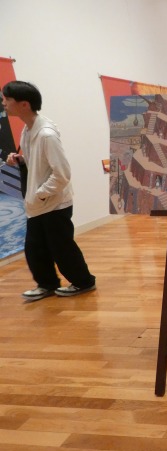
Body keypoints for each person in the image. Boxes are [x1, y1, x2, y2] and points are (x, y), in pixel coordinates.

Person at [1, 81, 96, 302]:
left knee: (61, 247)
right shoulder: (28, 129)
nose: (3, 103)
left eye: (7, 99)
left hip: (53, 203)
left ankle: (84, 282)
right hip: (38, 203)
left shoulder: (46, 134)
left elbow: (62, 173)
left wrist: (40, 194)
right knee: (35, 248)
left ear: (24, 104)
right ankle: (47, 284)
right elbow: (39, 163)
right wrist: (21, 160)